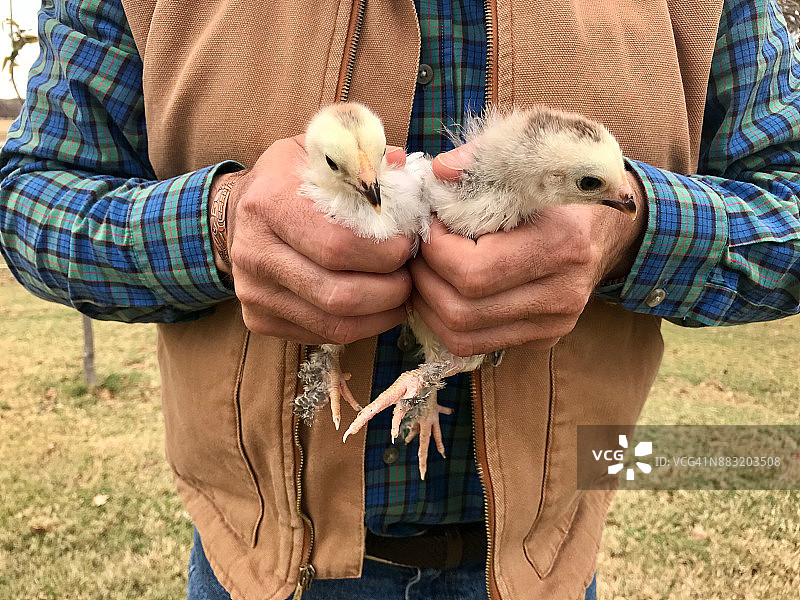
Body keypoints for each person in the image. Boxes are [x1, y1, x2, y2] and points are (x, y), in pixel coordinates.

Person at [1, 1, 798, 599]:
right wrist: (215, 226)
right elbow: (30, 199)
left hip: (546, 563)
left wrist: (636, 231)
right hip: (258, 562)